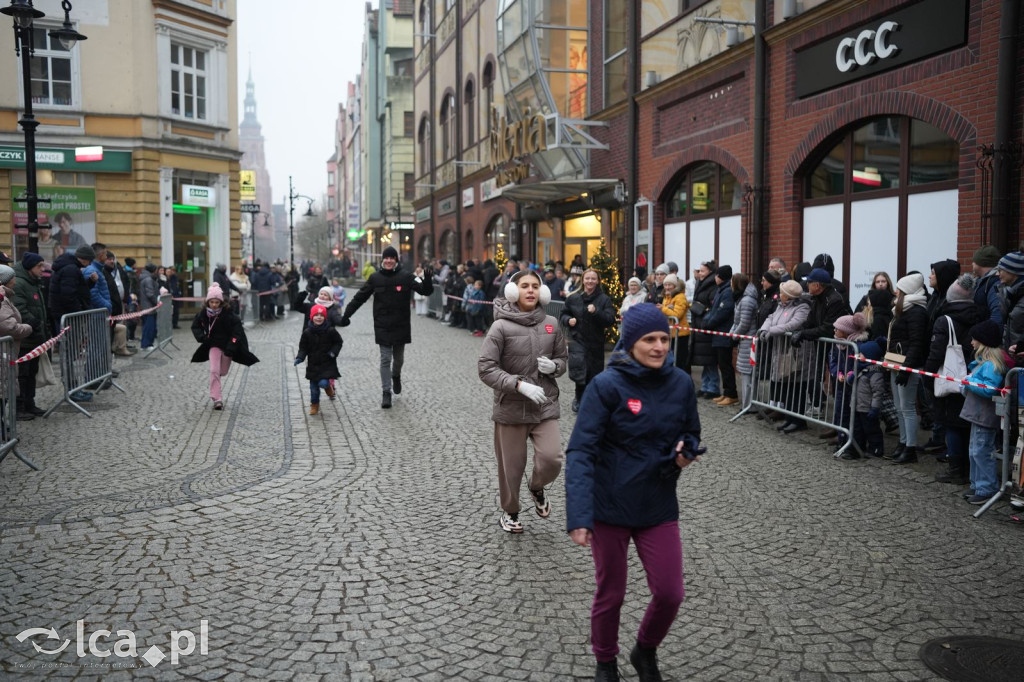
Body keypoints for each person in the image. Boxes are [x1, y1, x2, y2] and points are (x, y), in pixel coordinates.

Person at [565, 303, 702, 682]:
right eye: (649, 340)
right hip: (609, 505)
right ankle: (605, 662)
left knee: (671, 592)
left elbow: (691, 432)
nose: (659, 347)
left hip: (657, 502)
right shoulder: (605, 386)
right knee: (611, 593)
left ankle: (645, 650)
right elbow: (581, 451)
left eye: (664, 339)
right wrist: (579, 515)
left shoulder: (681, 383)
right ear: (630, 342)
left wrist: (686, 452)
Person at [478, 269, 568, 534]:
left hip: (544, 405)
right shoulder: (500, 326)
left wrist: (555, 366)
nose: (530, 290)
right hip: (511, 407)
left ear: (543, 292)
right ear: (513, 291)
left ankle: (537, 487)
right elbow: (486, 368)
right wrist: (518, 384)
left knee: (552, 458)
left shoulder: (551, 323)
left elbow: (563, 359)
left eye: (535, 286)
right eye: (525, 286)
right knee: (512, 468)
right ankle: (511, 511)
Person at [340, 246, 433, 409]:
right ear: (382, 260)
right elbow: (359, 298)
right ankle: (386, 392)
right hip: (382, 324)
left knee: (399, 359)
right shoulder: (375, 278)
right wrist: (346, 315)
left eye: (392, 258)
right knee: (385, 358)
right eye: (386, 258)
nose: (389, 261)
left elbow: (425, 291)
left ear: (396, 260)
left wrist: (428, 280)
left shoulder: (406, 276)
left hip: (400, 324)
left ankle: (396, 375)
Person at [924, 274, 982, 483]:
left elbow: (936, 352)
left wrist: (927, 376)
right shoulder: (980, 315)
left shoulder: (945, 320)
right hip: (973, 377)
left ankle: (956, 469)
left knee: (952, 424)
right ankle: (968, 468)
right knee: (966, 424)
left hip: (949, 380)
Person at [959, 319, 1007, 505]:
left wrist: (969, 381)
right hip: (978, 415)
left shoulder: (990, 365)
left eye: (974, 339)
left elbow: (989, 389)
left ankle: (986, 487)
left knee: (981, 451)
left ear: (983, 341)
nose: (971, 342)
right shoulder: (983, 364)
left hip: (984, 416)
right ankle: (977, 484)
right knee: (974, 451)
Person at [190, 283, 259, 410]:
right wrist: (202, 338)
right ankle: (217, 399)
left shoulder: (229, 315)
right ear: (208, 302)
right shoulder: (203, 314)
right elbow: (195, 326)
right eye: (212, 302)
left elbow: (237, 332)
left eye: (217, 302)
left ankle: (217, 380)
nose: (214, 305)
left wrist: (231, 347)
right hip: (213, 345)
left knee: (222, 372)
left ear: (221, 302)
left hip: (227, 346)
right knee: (214, 371)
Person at [885, 273, 930, 464]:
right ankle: (903, 443)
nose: (895, 291)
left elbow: (916, 343)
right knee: (899, 407)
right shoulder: (903, 309)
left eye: (899, 289)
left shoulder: (916, 312)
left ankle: (910, 448)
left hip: (907, 364)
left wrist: (906, 368)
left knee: (908, 407)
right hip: (897, 361)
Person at [759, 280, 812, 433]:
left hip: (796, 353)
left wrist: (771, 331)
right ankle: (789, 418)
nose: (779, 294)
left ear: (788, 296)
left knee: (797, 388)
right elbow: (770, 318)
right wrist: (764, 329)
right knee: (787, 387)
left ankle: (798, 420)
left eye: (782, 293)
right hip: (782, 351)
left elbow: (792, 325)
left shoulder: (802, 307)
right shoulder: (781, 305)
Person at [561, 268, 616, 413]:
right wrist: (568, 320)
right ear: (583, 280)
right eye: (587, 278)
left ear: (598, 281)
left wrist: (597, 312)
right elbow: (564, 314)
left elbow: (610, 319)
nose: (590, 281)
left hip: (595, 343)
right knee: (580, 372)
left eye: (593, 278)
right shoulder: (573, 297)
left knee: (593, 373)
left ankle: (592, 400)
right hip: (577, 341)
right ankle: (579, 399)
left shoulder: (604, 299)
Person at [12, 254, 49, 418]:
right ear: (29, 267)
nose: (43, 269)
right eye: (39, 266)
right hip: (24, 338)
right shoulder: (20, 283)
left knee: (32, 372)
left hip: (34, 337)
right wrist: (35, 324)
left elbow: (39, 307)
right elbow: (20, 309)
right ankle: (19, 408)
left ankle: (30, 404)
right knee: (22, 375)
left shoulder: (33, 282)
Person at [294, 304, 343, 416]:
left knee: (323, 382)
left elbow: (338, 342)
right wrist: (300, 357)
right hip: (313, 364)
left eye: (321, 315)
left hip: (327, 363)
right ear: (312, 317)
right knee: (313, 388)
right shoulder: (307, 332)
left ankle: (328, 387)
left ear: (325, 317)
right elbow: (303, 348)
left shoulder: (330, 330)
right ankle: (314, 404)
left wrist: (333, 352)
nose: (319, 317)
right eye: (316, 315)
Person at [700, 265, 737, 406]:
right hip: (718, 334)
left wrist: (708, 323)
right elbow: (713, 310)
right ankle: (726, 392)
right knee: (722, 364)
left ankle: (731, 394)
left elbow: (722, 312)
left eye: (716, 275)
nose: (715, 277)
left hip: (724, 334)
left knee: (726, 365)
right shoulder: (721, 289)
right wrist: (706, 321)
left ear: (720, 277)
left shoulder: (727, 291)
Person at [845, 339, 887, 459]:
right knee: (857, 429)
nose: (858, 355)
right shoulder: (859, 368)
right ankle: (857, 448)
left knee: (871, 430)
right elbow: (850, 383)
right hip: (857, 405)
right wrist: (852, 376)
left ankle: (876, 449)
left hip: (867, 408)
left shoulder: (875, 373)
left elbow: (878, 392)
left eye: (861, 354)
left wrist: (875, 408)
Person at [730, 273, 759, 409]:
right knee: (744, 372)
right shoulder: (741, 298)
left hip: (748, 340)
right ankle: (746, 404)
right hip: (744, 339)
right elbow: (737, 321)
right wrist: (732, 333)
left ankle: (749, 405)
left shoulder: (747, 300)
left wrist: (734, 336)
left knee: (747, 373)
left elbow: (744, 323)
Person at [689, 261, 718, 394]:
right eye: (699, 271)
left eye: (702, 271)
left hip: (706, 325)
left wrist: (700, 310)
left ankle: (713, 387)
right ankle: (705, 385)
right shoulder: (700, 283)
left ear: (710, 272)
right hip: (700, 324)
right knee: (704, 360)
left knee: (710, 359)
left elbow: (711, 306)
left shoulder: (712, 285)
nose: (699, 273)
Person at [656, 273, 689, 370]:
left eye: (669, 285)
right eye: (665, 285)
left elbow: (677, 315)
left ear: (675, 286)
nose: (667, 287)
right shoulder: (666, 296)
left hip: (680, 334)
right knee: (670, 360)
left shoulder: (680, 297)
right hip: (670, 333)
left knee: (679, 361)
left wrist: (663, 309)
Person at [971, 245, 1003, 324]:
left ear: (982, 263)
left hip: (987, 330)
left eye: (974, 261)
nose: (972, 263)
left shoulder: (996, 283)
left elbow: (997, 316)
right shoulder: (981, 280)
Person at [138, 263, 160, 350]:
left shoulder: (146, 278)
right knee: (149, 327)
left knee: (148, 326)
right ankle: (146, 344)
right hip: (149, 307)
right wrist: (157, 302)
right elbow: (150, 294)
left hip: (147, 306)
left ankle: (147, 343)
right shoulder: (148, 279)